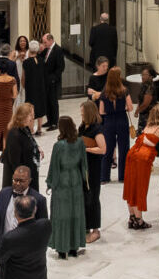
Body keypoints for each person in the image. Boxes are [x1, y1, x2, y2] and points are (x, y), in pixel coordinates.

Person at [123, 104, 159, 230]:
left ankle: (132, 217)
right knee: (140, 188)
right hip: (143, 159)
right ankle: (139, 221)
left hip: (132, 154)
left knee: (131, 186)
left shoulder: (148, 126)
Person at [46, 115, 89, 258]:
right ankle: (73, 247)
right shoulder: (80, 142)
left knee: (61, 215)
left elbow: (54, 167)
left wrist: (50, 183)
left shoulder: (58, 146)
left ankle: (61, 248)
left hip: (62, 182)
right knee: (75, 213)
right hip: (76, 180)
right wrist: (85, 181)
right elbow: (84, 164)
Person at [76, 99, 109, 244]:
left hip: (93, 168)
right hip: (83, 167)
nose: (81, 115)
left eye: (83, 113)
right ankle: (86, 227)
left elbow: (103, 149)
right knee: (85, 198)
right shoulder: (83, 127)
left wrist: (86, 149)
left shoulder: (97, 129)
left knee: (93, 198)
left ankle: (96, 230)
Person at [92, 61, 130, 182]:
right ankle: (122, 176)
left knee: (107, 149)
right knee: (123, 149)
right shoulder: (124, 91)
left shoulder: (104, 93)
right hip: (122, 120)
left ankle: (104, 177)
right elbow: (130, 107)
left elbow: (101, 111)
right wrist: (122, 108)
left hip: (109, 122)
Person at [0, 52, 20, 160]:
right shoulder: (13, 80)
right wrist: (8, 95)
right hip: (8, 107)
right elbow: (15, 95)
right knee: (7, 130)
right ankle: (5, 154)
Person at [4, 101, 43, 185]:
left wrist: (37, 148)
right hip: (22, 181)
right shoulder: (14, 134)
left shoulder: (25, 129)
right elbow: (15, 162)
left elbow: (30, 141)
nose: (33, 117)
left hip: (29, 174)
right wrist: (23, 180)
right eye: (31, 115)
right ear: (23, 116)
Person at [88, 11, 117, 78]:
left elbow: (90, 42)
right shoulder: (113, 29)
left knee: (98, 75)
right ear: (108, 20)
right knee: (108, 76)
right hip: (109, 57)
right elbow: (115, 45)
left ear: (100, 19)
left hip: (97, 57)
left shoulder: (94, 29)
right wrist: (114, 57)